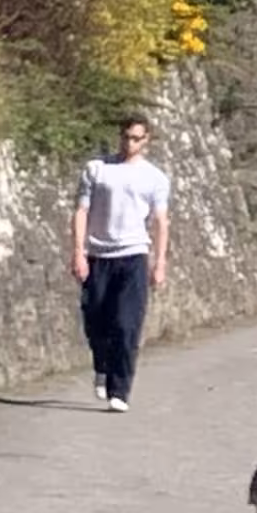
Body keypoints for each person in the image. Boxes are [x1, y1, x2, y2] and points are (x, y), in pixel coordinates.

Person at [69, 113, 174, 411]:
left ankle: (120, 391)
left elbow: (161, 221)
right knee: (96, 321)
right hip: (98, 255)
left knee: (127, 325)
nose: (130, 143)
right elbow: (81, 212)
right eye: (126, 137)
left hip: (133, 255)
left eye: (137, 138)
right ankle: (102, 368)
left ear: (146, 140)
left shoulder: (155, 178)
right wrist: (78, 252)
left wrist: (160, 262)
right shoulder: (97, 169)